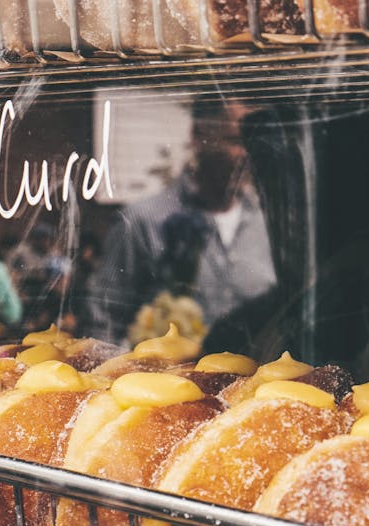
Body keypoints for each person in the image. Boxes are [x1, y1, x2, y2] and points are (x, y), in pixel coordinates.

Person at [84, 97, 278, 346]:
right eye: (236, 141)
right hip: (166, 382)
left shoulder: (269, 224)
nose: (248, 155)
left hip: (257, 382)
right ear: (199, 136)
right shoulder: (143, 220)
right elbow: (103, 322)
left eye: (255, 144)